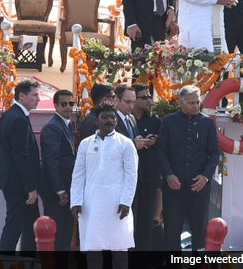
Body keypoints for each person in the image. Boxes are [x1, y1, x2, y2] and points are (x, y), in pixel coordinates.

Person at [70, 103, 137, 268]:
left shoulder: (126, 143)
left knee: (120, 249)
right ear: (96, 120)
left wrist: (126, 202)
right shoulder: (85, 144)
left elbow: (131, 175)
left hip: (117, 203)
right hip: (91, 204)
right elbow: (78, 174)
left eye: (112, 117)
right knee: (93, 249)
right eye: (105, 117)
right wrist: (76, 201)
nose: (109, 120)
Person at [156, 85, 219, 250]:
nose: (196, 106)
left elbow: (214, 154)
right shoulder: (168, 121)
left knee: (199, 234)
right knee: (171, 233)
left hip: (199, 188)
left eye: (197, 102)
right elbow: (160, 150)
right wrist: (168, 174)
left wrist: (205, 177)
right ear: (180, 102)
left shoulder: (207, 123)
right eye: (191, 103)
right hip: (173, 188)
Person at [0, 79, 41, 252]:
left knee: (31, 223)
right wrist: (30, 187)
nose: (38, 99)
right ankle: (5, 260)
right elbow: (21, 156)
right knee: (14, 225)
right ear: (22, 95)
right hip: (18, 184)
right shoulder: (18, 118)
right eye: (34, 95)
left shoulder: (10, 114)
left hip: (13, 181)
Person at [39, 89, 76, 252]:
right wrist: (60, 190)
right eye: (64, 104)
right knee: (56, 232)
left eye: (71, 103)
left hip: (66, 187)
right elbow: (51, 162)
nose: (68, 107)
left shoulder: (64, 124)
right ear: (56, 105)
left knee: (65, 231)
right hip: (56, 191)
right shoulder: (53, 127)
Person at [131, 83, 161, 251]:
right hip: (130, 178)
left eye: (149, 96)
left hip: (149, 177)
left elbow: (162, 148)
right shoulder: (125, 120)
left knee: (146, 221)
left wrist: (154, 141)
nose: (149, 100)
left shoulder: (155, 121)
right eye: (144, 97)